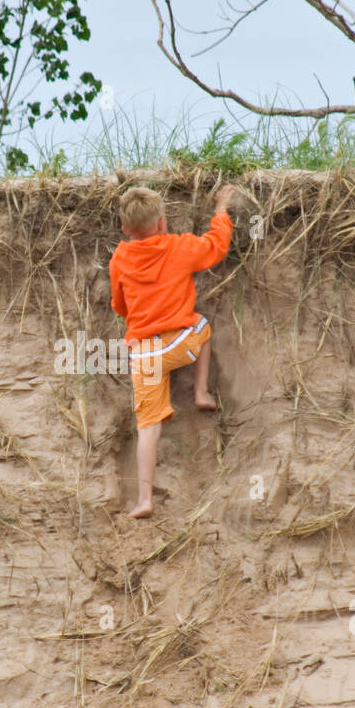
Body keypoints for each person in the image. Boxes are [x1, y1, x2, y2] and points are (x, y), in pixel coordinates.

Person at [109, 183, 235, 518]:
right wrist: (221, 212)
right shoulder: (179, 247)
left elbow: (119, 306)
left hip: (144, 355)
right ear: (162, 223)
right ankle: (201, 392)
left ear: (124, 229)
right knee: (204, 328)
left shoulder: (120, 258)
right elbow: (215, 246)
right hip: (180, 345)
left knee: (147, 427)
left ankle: (144, 499)